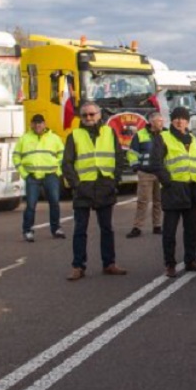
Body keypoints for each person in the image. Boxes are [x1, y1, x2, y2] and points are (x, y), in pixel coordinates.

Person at [62, 100, 129, 281]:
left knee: (107, 228)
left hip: (104, 186)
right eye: (85, 115)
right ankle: (78, 266)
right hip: (84, 188)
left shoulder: (109, 132)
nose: (89, 117)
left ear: (99, 115)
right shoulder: (74, 135)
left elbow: (119, 158)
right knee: (80, 230)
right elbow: (67, 164)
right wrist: (76, 185)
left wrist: (114, 181)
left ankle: (109, 264)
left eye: (92, 114)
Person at [152, 106, 196, 276]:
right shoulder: (163, 137)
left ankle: (191, 261)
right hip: (173, 190)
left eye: (183, 118)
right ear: (172, 120)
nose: (179, 121)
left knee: (191, 230)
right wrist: (168, 182)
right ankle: (170, 264)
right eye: (176, 118)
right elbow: (156, 163)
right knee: (169, 231)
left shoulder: (193, 138)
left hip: (192, 190)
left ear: (187, 122)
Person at [12, 113, 66, 242]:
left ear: (44, 124)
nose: (37, 125)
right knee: (31, 205)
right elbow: (16, 156)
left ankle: (56, 229)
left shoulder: (54, 138)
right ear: (31, 124)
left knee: (54, 203)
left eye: (40, 123)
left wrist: (57, 171)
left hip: (50, 175)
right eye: (35, 123)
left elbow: (62, 155)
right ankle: (27, 231)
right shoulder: (24, 139)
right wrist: (24, 173)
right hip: (32, 176)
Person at [126, 110, 166, 238]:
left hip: (161, 173)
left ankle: (157, 226)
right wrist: (136, 167)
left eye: (162, 121)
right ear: (151, 122)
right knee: (143, 201)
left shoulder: (166, 134)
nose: (162, 123)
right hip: (145, 173)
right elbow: (132, 153)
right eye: (159, 121)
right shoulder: (140, 135)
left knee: (159, 201)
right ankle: (137, 227)